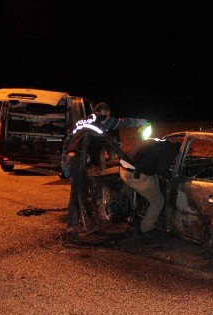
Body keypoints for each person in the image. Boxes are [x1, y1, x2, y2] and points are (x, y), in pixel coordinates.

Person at [63, 102, 148, 243]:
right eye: (108, 114)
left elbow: (68, 140)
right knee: (77, 191)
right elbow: (123, 123)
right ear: (104, 112)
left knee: (78, 191)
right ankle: (73, 226)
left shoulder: (81, 121)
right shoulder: (102, 119)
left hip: (73, 157)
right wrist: (143, 121)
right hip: (79, 157)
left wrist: (65, 164)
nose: (109, 117)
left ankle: (76, 223)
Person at [119, 138, 181, 238]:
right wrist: (171, 177)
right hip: (134, 175)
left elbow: (154, 164)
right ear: (179, 153)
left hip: (123, 168)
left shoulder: (161, 143)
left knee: (154, 178)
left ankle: (146, 207)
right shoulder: (171, 152)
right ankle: (145, 228)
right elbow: (162, 169)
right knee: (158, 201)